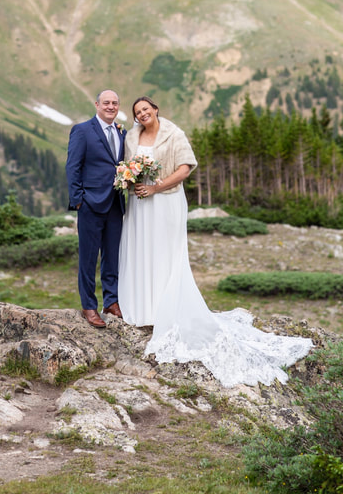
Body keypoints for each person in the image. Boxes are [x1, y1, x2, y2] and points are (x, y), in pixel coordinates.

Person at [118, 96, 312, 387]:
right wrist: (131, 181)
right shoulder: (132, 136)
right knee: (141, 251)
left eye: (146, 109)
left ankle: (164, 307)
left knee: (164, 253)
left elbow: (185, 168)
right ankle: (142, 306)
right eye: (138, 112)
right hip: (139, 204)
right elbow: (127, 166)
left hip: (165, 202)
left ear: (156, 109)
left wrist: (156, 187)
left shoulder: (174, 133)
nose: (143, 114)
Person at [66, 90, 126, 328]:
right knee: (88, 258)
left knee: (112, 256)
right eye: (106, 103)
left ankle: (111, 301)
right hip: (90, 203)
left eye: (115, 103)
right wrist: (78, 200)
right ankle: (89, 306)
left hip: (115, 202)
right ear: (97, 105)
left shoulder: (121, 131)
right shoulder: (82, 130)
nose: (111, 106)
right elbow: (73, 166)